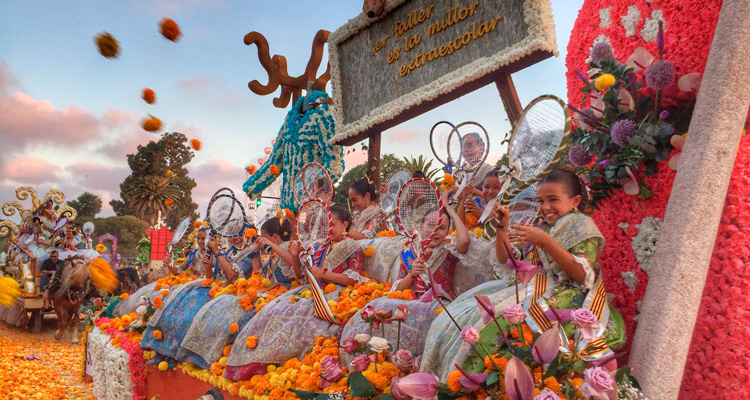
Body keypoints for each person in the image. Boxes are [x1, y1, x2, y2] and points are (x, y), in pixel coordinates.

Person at [420, 168, 626, 381]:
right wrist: (502, 228)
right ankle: (453, 382)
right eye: (541, 201)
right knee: (466, 314)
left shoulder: (581, 225)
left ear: (575, 200)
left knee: (491, 327)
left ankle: (473, 385)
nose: (545, 207)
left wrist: (545, 241)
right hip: (530, 287)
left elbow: (584, 276)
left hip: (565, 294)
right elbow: (506, 259)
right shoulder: (542, 226)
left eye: (553, 199)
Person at [226, 204, 368, 380]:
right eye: (324, 225)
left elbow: (353, 279)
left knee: (299, 324)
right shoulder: (320, 247)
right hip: (308, 290)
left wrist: (324, 274)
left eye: (331, 225)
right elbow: (301, 275)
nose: (327, 229)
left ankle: (283, 365)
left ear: (345, 225)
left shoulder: (352, 247)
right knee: (272, 312)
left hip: (335, 295)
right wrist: (294, 256)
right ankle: (253, 362)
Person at [338, 190, 471, 367]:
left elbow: (464, 242)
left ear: (447, 231)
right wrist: (412, 274)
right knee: (380, 307)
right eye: (431, 224)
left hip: (438, 304)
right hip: (409, 299)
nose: (435, 231)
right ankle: (375, 361)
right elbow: (399, 288)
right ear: (421, 226)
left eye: (441, 227)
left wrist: (448, 208)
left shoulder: (448, 249)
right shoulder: (410, 251)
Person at [141, 224, 259, 368]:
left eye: (240, 235)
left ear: (250, 236)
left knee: (189, 316)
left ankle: (180, 354)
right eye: (233, 235)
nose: (235, 238)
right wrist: (208, 267)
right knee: (176, 305)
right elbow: (212, 277)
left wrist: (216, 251)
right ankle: (163, 351)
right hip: (215, 289)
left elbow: (232, 275)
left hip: (234, 295)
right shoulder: (227, 252)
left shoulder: (249, 253)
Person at [251, 217, 301, 287]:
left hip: (286, 294)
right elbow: (258, 274)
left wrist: (271, 244)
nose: (263, 241)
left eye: (265, 237)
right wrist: (256, 251)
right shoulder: (275, 251)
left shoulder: (289, 246)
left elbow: (295, 262)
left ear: (274, 237)